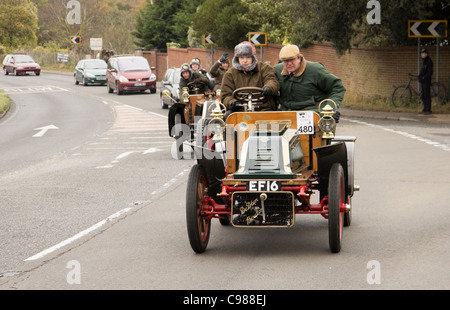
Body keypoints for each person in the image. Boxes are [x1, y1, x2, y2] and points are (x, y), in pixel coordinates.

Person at [273, 44, 346, 120]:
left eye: (292, 60)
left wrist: (331, 109)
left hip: (313, 113)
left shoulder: (315, 70)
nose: (289, 63)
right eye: (285, 61)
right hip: (288, 115)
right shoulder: (277, 71)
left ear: (299, 58)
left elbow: (337, 87)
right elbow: (265, 77)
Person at [221, 41, 280, 111]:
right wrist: (232, 102)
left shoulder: (264, 68)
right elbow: (226, 96)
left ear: (253, 57)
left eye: (248, 57)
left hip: (264, 108)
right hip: (240, 109)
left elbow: (272, 80)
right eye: (242, 57)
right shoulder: (230, 74)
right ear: (237, 58)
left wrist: (269, 88)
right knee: (227, 117)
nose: (245, 61)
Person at [418, 48, 433, 114]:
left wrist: (424, 77)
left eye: (423, 53)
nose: (422, 54)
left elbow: (430, 72)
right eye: (421, 53)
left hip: (426, 81)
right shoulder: (424, 61)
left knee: (427, 95)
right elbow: (423, 71)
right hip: (423, 81)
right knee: (423, 95)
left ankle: (428, 109)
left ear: (426, 54)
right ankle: (424, 108)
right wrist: (420, 77)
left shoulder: (429, 61)